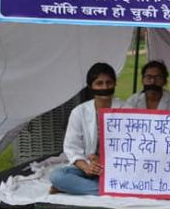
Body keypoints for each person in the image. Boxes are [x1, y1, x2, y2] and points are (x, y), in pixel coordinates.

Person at [50, 63, 126, 195]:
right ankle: (110, 189)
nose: (105, 87)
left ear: (115, 84)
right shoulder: (79, 112)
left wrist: (105, 160)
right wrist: (86, 167)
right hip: (90, 167)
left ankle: (77, 187)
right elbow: (71, 147)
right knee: (57, 176)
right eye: (99, 83)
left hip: (119, 168)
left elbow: (133, 147)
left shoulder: (127, 110)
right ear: (91, 86)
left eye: (109, 83)